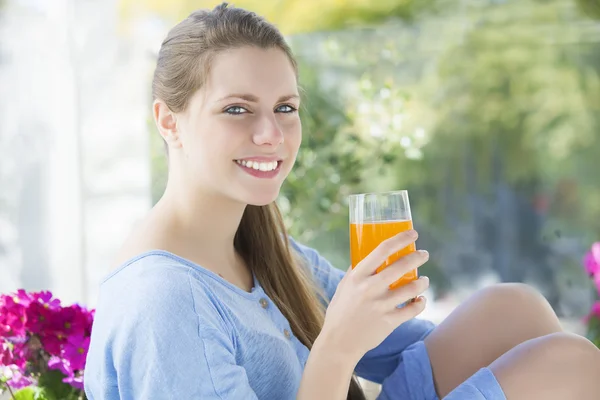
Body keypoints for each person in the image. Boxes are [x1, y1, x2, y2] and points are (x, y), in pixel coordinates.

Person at [83, 3, 600, 400]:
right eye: (237, 109)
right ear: (169, 121)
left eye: (285, 107)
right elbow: (345, 346)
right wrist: (337, 347)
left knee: (511, 310)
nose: (271, 134)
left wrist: (379, 311)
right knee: (570, 364)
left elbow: (390, 344)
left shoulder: (261, 246)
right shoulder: (164, 301)